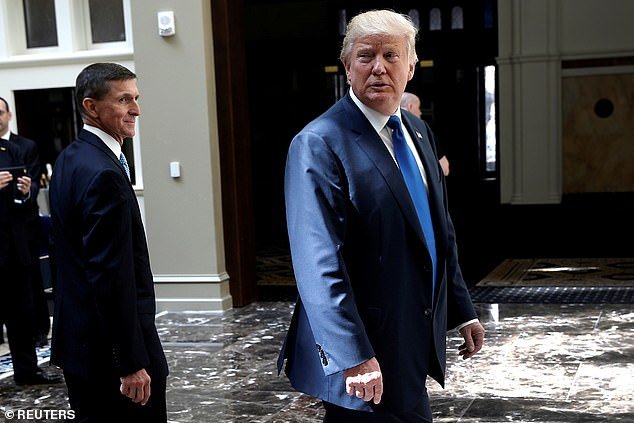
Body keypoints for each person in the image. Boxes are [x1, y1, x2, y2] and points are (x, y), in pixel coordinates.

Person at [277, 10, 484, 422]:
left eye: (391, 55)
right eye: (365, 55)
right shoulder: (319, 143)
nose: (378, 67)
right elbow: (318, 263)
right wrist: (352, 355)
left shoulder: (417, 131)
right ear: (347, 65)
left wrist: (461, 308)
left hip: (412, 336)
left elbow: (438, 229)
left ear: (411, 65)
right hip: (363, 352)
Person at [49, 63, 168, 422]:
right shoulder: (102, 173)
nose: (136, 109)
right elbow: (110, 276)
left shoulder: (70, 159)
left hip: (81, 346)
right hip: (111, 356)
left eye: (136, 98)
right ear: (91, 107)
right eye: (124, 100)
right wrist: (130, 363)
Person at [0, 98, 62, 386]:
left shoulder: (25, 146)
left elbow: (35, 184)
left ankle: (27, 371)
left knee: (20, 313)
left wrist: (26, 189)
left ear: (9, 114)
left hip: (17, 244)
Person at [400, 92, 450, 177]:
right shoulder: (423, 130)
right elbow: (445, 169)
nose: (420, 112)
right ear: (410, 106)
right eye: (418, 108)